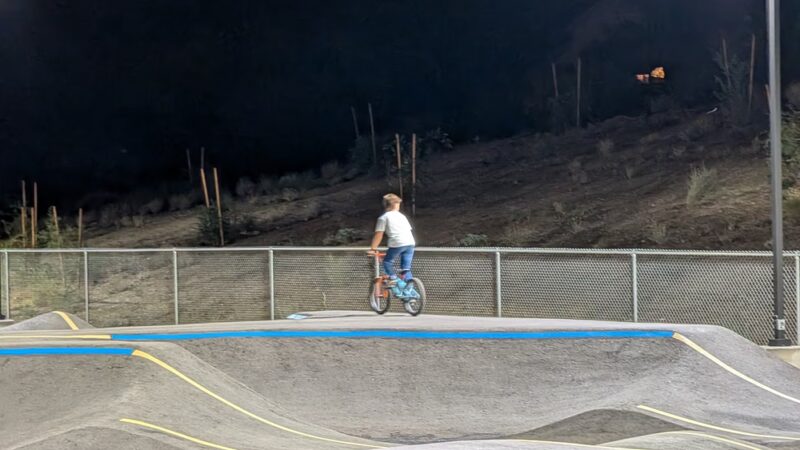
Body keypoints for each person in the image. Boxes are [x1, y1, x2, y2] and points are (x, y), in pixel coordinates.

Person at [369, 193, 417, 297]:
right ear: (396, 205)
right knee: (406, 268)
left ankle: (393, 279)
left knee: (387, 261)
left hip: (397, 243)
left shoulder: (383, 218)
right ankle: (409, 290)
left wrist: (373, 248)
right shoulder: (402, 216)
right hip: (410, 243)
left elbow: (379, 235)